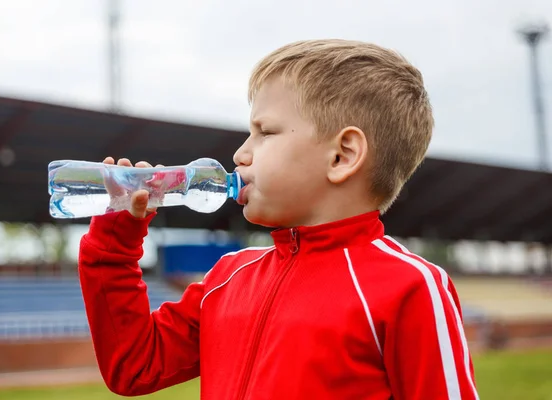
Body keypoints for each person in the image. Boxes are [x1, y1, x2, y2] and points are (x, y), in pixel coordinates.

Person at [78, 39, 480, 399]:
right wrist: (115, 242)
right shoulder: (228, 277)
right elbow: (133, 366)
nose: (240, 153)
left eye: (264, 132)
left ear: (342, 156)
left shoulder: (408, 287)